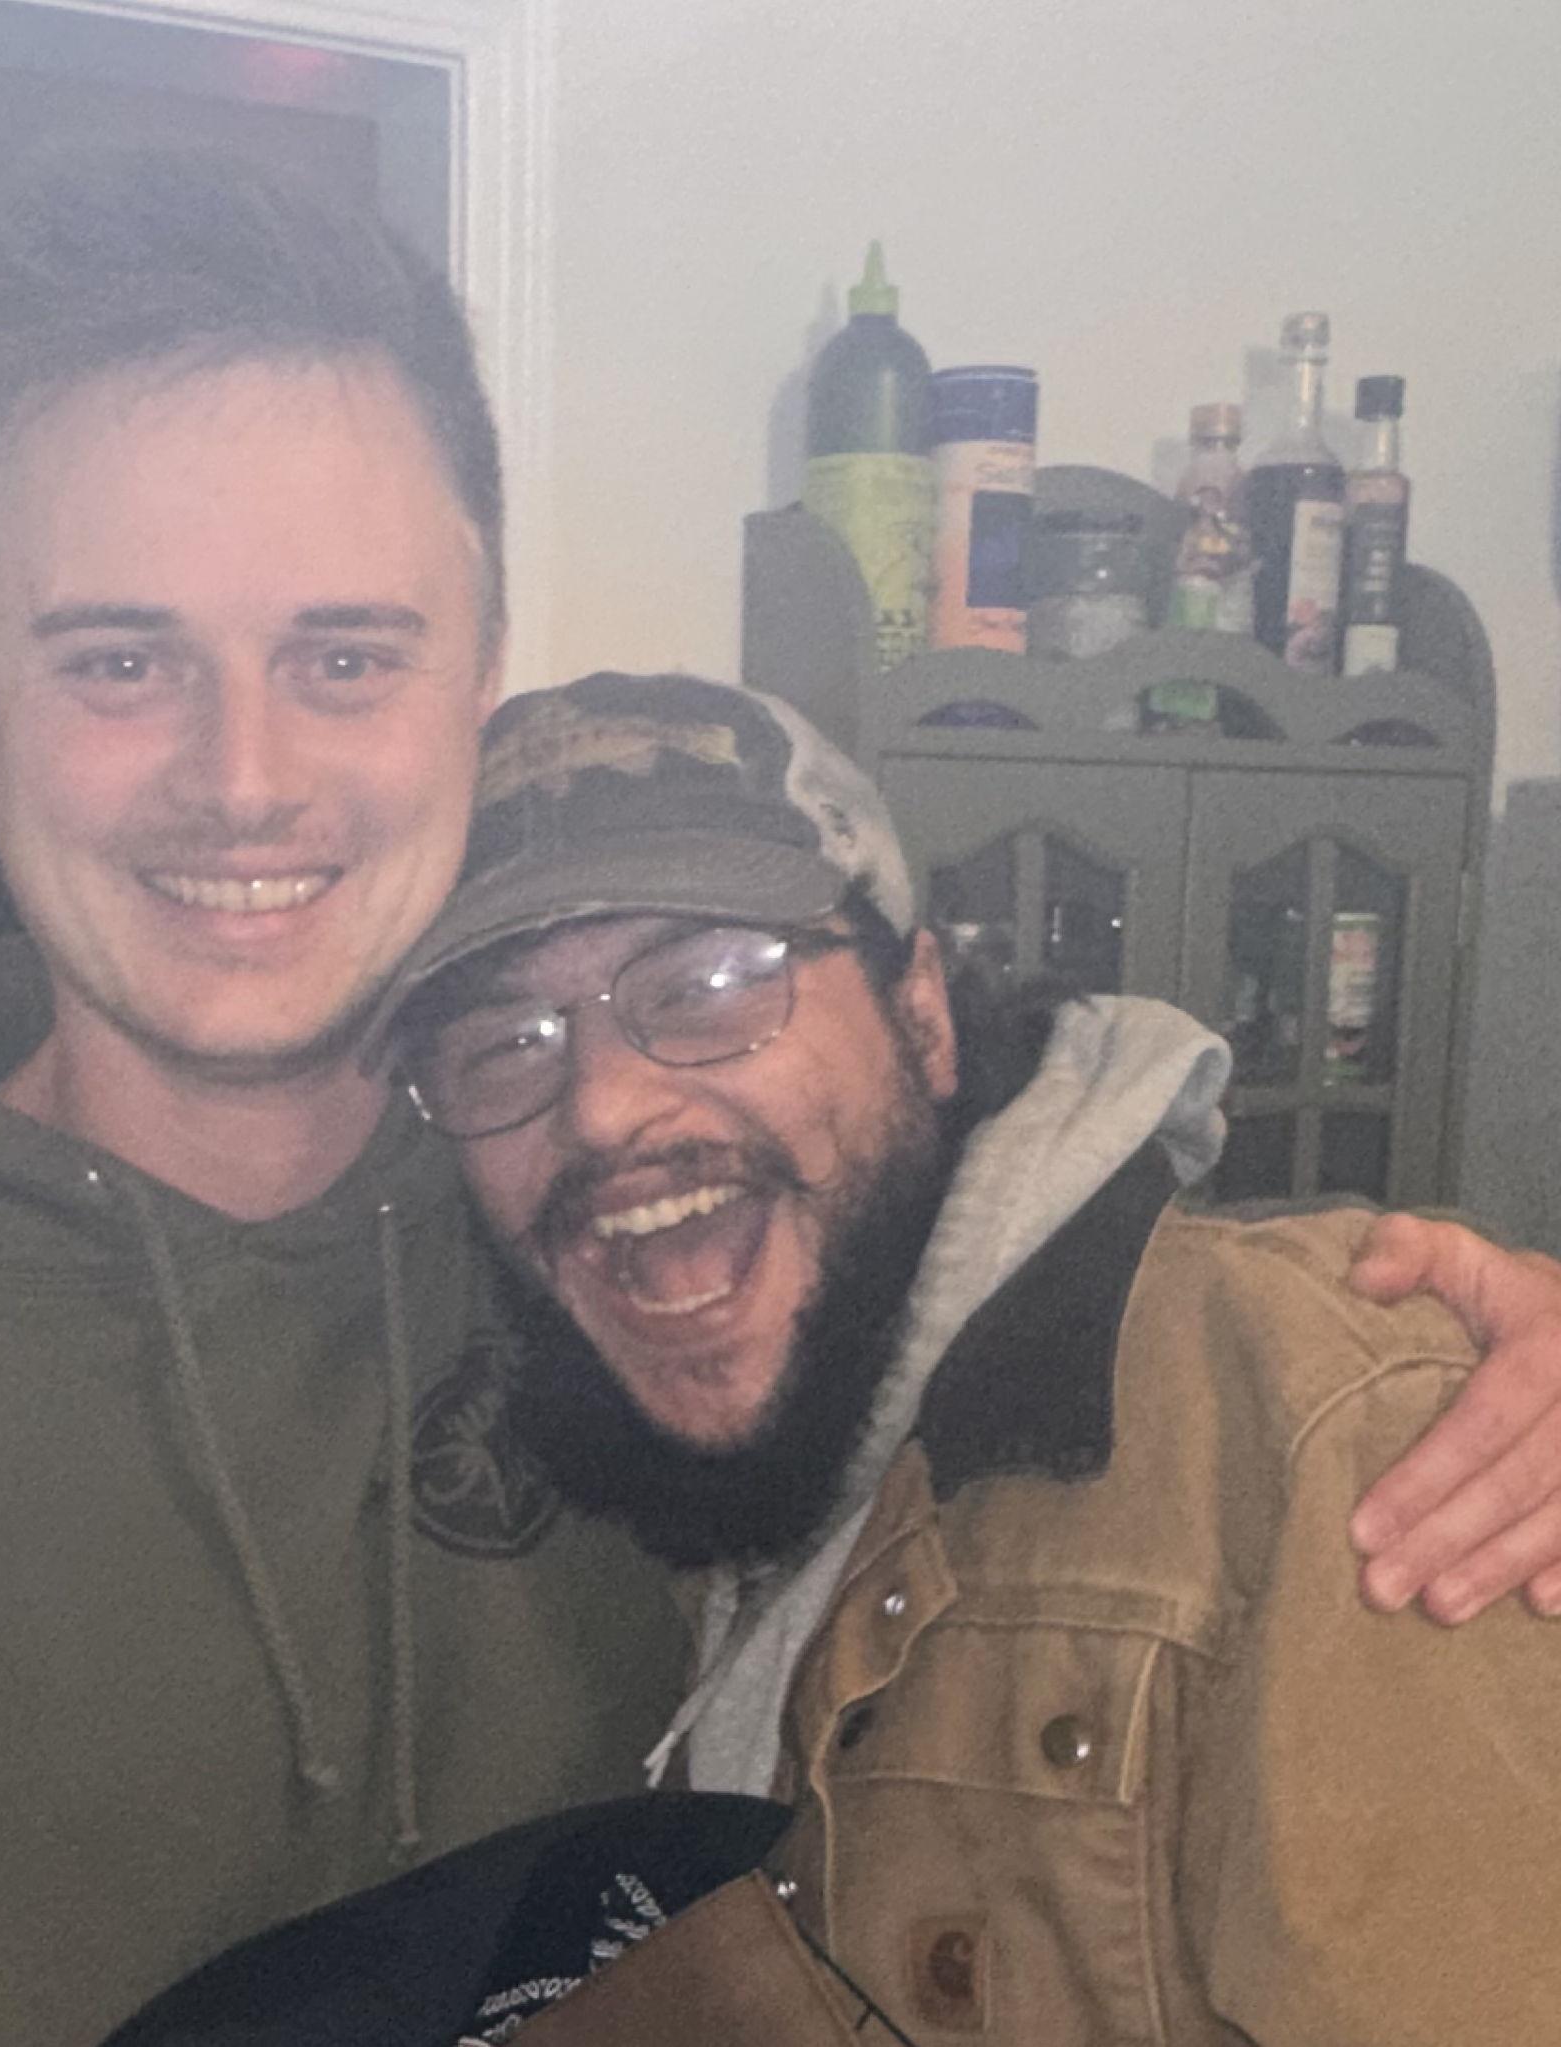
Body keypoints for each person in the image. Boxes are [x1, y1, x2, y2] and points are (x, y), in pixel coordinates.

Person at [0, 146, 1554, 2047]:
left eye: (344, 657)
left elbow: (1065, 1309)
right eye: (120, 662)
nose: (242, 777)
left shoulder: (650, 1269)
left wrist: (1438, 1369)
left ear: (472, 678)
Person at [385, 670, 1561, 2044]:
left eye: (709, 984)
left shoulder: (1345, 1437)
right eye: (502, 1044)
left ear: (925, 1014)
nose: (600, 1107)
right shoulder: (615, 1449)